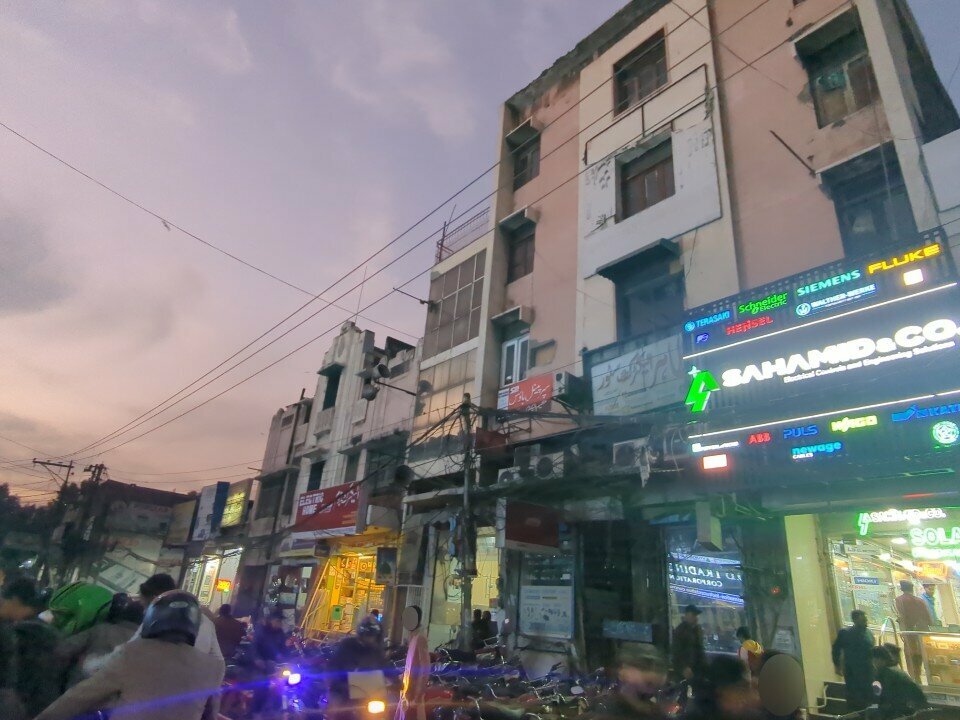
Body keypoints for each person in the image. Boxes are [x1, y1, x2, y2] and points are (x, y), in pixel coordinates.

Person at [36, 590, 225, 720]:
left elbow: (79, 697)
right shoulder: (210, 667)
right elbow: (210, 713)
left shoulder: (134, 652)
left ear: (152, 618)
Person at [0, 577, 62, 719]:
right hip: (40, 706)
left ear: (15, 600)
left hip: (23, 707)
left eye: (3, 602)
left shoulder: (25, 633)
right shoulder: (47, 631)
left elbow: (18, 677)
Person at [56, 591, 144, 688]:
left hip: (76, 685)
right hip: (109, 694)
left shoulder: (102, 629)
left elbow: (65, 649)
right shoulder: (142, 646)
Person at [133, 573, 223, 662]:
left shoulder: (153, 620)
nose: (144, 611)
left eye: (144, 604)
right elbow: (219, 661)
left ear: (154, 599)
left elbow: (131, 650)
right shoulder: (207, 622)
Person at [328, 617, 387, 720]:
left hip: (367, 691)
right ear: (361, 634)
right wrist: (336, 682)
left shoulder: (377, 651)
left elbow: (384, 667)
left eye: (373, 636)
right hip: (344, 689)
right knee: (337, 710)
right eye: (368, 635)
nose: (370, 638)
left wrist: (394, 681)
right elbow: (334, 665)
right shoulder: (347, 645)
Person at [594, 643, 669, 719]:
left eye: (658, 667)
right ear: (622, 671)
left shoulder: (655, 709)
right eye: (644, 666)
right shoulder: (607, 710)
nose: (653, 673)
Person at [831, 609, 874, 712]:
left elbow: (872, 649)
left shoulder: (869, 633)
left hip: (868, 669)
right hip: (852, 670)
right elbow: (836, 649)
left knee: (867, 695)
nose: (866, 622)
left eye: (866, 619)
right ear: (855, 620)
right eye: (863, 620)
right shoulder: (845, 633)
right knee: (853, 696)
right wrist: (837, 665)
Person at [250, 608, 289, 718]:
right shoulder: (261, 630)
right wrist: (257, 660)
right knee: (261, 688)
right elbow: (254, 647)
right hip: (261, 666)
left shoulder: (280, 633)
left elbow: (284, 649)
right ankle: (256, 713)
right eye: (278, 621)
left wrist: (287, 658)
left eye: (280, 621)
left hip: (275, 666)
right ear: (271, 620)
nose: (279, 624)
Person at [871, 645, 928, 719]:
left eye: (874, 660)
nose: (873, 663)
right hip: (914, 705)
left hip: (905, 708)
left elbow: (882, 695)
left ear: (881, 660)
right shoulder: (894, 670)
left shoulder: (886, 673)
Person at [895, 580, 932, 682]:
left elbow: (901, 617)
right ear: (912, 589)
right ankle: (922, 678)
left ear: (902, 589)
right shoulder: (920, 601)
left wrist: (901, 627)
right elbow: (929, 619)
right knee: (921, 656)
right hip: (921, 634)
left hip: (909, 634)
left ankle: (915, 680)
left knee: (911, 657)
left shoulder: (899, 600)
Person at [396, 605, 429, 720]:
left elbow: (425, 668)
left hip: (413, 693)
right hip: (407, 691)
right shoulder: (414, 637)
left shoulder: (420, 638)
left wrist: (418, 695)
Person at [671, 604, 707, 684]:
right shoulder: (680, 631)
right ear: (687, 615)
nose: (696, 618)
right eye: (694, 615)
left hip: (697, 669)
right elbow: (676, 651)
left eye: (696, 615)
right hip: (686, 671)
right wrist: (683, 667)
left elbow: (700, 649)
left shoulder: (696, 630)